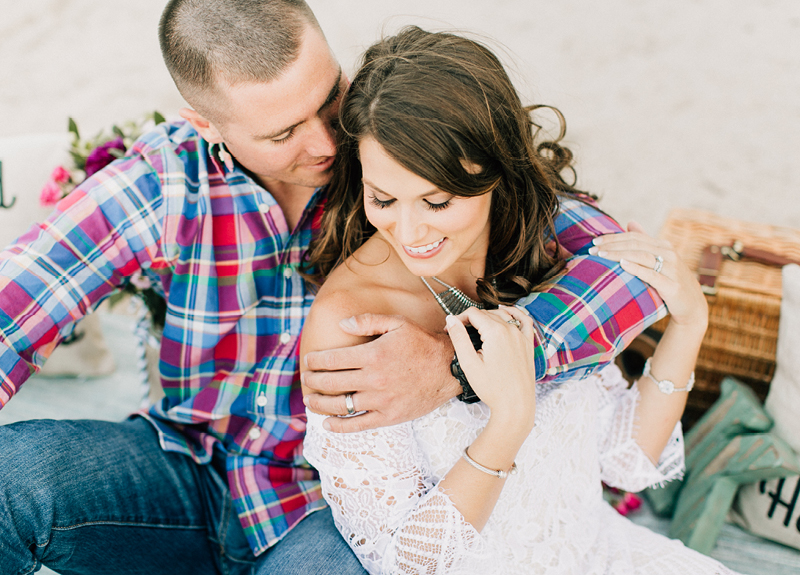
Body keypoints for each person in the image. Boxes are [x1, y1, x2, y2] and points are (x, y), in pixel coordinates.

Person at [0, 2, 661, 574]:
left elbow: (629, 270)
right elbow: (14, 310)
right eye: (283, 132)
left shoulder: (388, 156)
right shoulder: (160, 185)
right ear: (205, 124)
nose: (324, 143)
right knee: (10, 477)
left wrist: (460, 367)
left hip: (321, 512)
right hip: (185, 469)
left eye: (328, 98)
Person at [300, 27, 739, 574]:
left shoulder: (545, 253)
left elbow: (627, 459)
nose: (408, 230)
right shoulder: (350, 323)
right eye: (383, 198)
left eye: (437, 201)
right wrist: (508, 422)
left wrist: (688, 325)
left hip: (599, 553)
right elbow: (404, 563)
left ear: (495, 171)